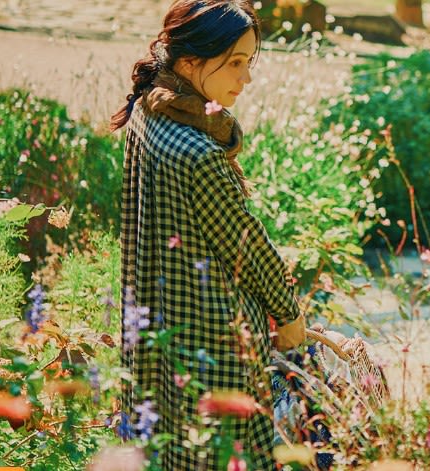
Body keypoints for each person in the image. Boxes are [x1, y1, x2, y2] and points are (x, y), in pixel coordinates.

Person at [110, 1, 306, 469]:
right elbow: (247, 246)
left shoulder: (148, 111)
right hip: (214, 341)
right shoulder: (198, 151)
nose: (246, 78)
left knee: (168, 447)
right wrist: (289, 314)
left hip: (158, 327)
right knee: (229, 454)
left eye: (249, 62)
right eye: (235, 63)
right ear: (189, 62)